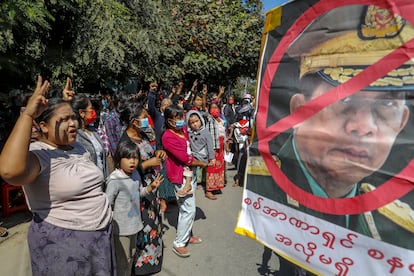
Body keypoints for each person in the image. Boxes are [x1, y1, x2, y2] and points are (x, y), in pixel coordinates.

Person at [247, 4, 414, 273]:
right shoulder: (264, 186)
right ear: (299, 110)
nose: (364, 127)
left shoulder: (398, 231)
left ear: (402, 122)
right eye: (344, 98)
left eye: (386, 106)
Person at [0, 76, 115, 275]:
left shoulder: (77, 146)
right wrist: (28, 115)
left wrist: (65, 102)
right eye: (63, 120)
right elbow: (10, 171)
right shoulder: (38, 154)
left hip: (98, 239)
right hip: (63, 245)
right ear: (43, 126)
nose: (72, 124)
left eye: (73, 118)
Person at [106, 139, 163, 276]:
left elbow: (139, 193)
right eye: (128, 158)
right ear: (119, 159)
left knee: (131, 256)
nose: (132, 162)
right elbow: (107, 204)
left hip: (135, 226)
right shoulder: (115, 180)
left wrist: (150, 188)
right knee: (122, 260)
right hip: (121, 230)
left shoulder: (136, 175)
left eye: (135, 158)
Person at [162, 105, 208, 257]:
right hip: (179, 176)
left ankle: (187, 235)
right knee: (189, 209)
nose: (182, 121)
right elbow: (185, 158)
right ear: (169, 121)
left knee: (187, 208)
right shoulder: (168, 136)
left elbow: (190, 152)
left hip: (189, 174)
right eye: (178, 118)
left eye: (183, 117)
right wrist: (201, 163)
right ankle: (179, 243)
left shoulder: (182, 131)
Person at [72, 93, 111, 182]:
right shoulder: (75, 137)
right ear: (82, 113)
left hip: (102, 183)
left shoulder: (94, 132)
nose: (93, 111)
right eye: (91, 109)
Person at [183, 110, 215, 198]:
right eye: (192, 122)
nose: (195, 124)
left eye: (197, 121)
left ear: (201, 120)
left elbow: (210, 145)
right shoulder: (189, 133)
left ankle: (203, 186)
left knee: (204, 171)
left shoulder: (206, 132)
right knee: (191, 172)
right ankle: (191, 185)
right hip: (193, 156)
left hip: (203, 156)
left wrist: (212, 157)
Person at [204, 102, 226, 199]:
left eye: (216, 107)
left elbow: (223, 134)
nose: (214, 109)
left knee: (219, 167)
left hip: (220, 147)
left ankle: (216, 186)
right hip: (212, 147)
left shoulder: (221, 120)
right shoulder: (209, 119)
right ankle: (208, 190)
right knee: (211, 167)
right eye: (212, 108)